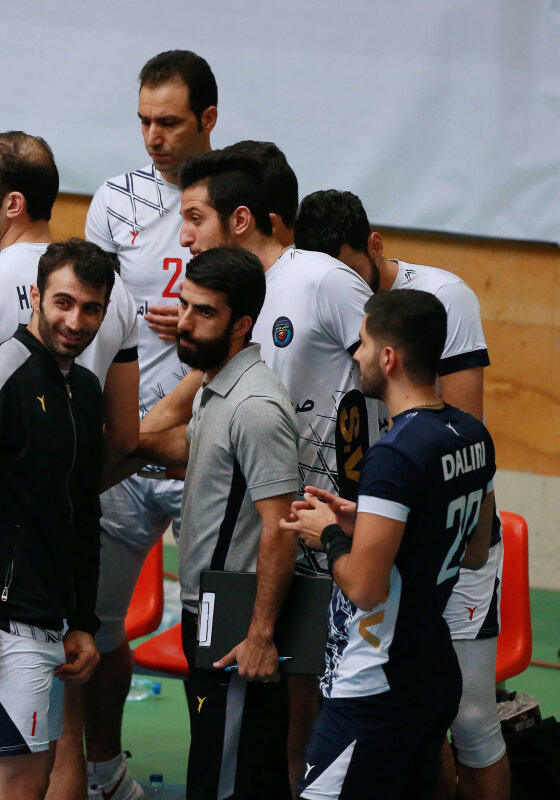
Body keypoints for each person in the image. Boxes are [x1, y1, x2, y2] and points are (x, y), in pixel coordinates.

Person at [175, 142, 376, 790]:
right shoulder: (217, 378)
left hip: (316, 545)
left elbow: (390, 370)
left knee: (342, 722)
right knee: (257, 745)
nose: (185, 235)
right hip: (235, 584)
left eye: (195, 218)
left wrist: (390, 487)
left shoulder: (318, 283)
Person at [293, 189, 504, 799]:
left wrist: (330, 536)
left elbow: (364, 587)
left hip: (375, 684)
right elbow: (473, 550)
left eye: (360, 344)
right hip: (430, 665)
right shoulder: (474, 436)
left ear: (387, 357)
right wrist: (370, 520)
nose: (353, 354)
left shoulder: (394, 453)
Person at [82, 50, 218, 799]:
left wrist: (201, 332)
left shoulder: (236, 198)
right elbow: (87, 316)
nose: (153, 138)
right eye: (143, 122)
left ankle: (219, 780)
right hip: (126, 451)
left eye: (169, 122)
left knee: (215, 639)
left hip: (207, 451)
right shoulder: (115, 201)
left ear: (208, 119)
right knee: (95, 631)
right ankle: (103, 773)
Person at [0, 240, 111, 800]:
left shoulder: (84, 389)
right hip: (0, 630)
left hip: (50, 625)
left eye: (90, 308)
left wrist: (83, 621)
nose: (75, 321)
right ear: (35, 296)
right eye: (63, 302)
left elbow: (83, 514)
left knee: (26, 786)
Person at [157, 247, 301, 798]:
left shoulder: (255, 407)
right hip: (207, 608)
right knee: (221, 765)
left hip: (237, 623)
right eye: (184, 305)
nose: (185, 322)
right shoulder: (215, 385)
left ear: (241, 324)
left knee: (223, 781)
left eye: (204, 313)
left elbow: (280, 526)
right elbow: (198, 454)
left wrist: (260, 634)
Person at [0, 132, 139, 480]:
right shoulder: (115, 289)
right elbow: (124, 437)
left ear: (13, 204)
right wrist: (73, 494)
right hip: (81, 505)